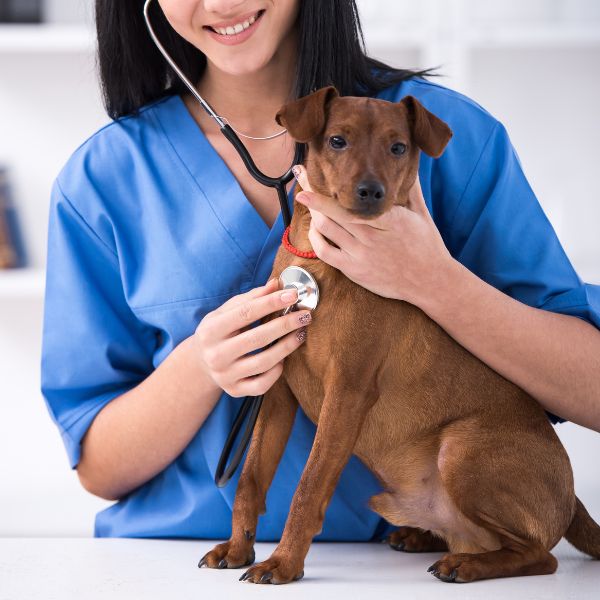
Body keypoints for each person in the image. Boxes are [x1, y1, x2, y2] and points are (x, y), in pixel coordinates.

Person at [40, 0, 600, 540]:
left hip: (411, 571)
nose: (221, 2)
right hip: (177, 567)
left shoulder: (445, 135)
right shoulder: (104, 176)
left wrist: (436, 283)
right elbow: (97, 467)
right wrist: (202, 365)